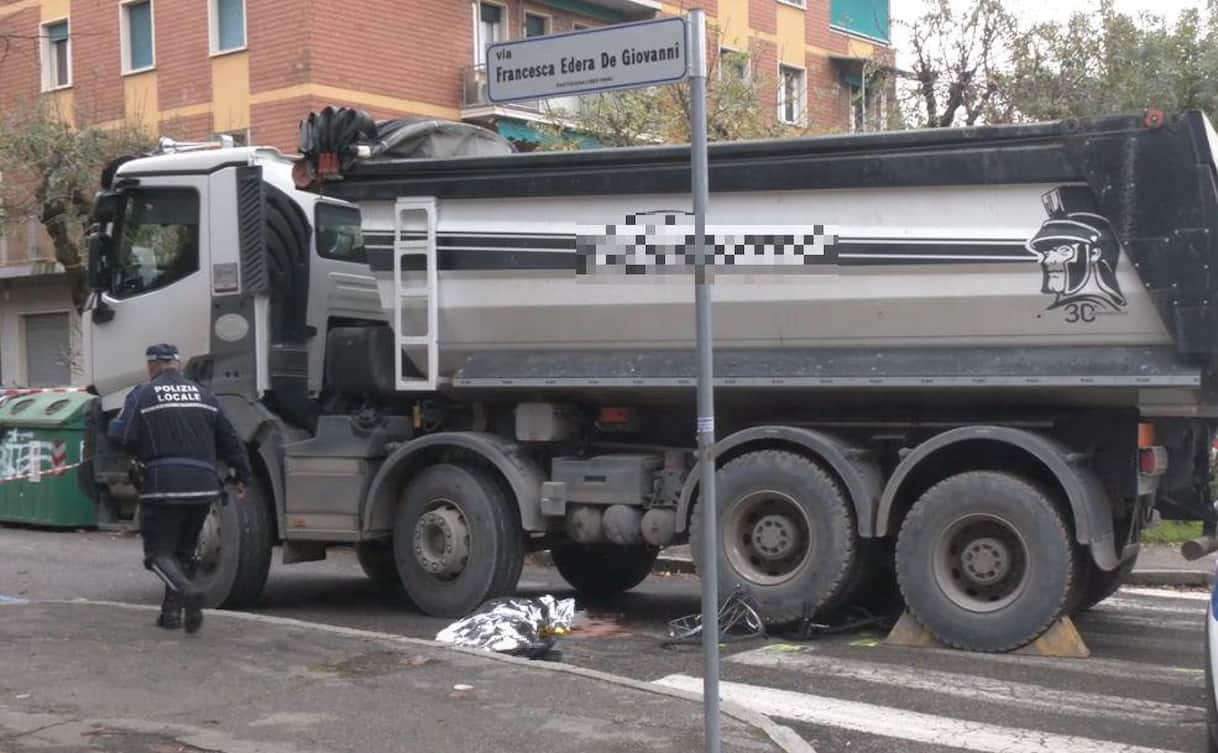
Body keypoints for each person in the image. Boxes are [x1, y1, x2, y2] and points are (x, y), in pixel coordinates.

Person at [109, 343, 252, 634]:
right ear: (178, 363)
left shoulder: (142, 394)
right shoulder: (204, 394)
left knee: (158, 555)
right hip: (203, 486)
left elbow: (122, 435)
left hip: (163, 485)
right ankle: (171, 616)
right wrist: (242, 476)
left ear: (151, 366)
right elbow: (230, 439)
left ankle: (189, 593)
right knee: (184, 553)